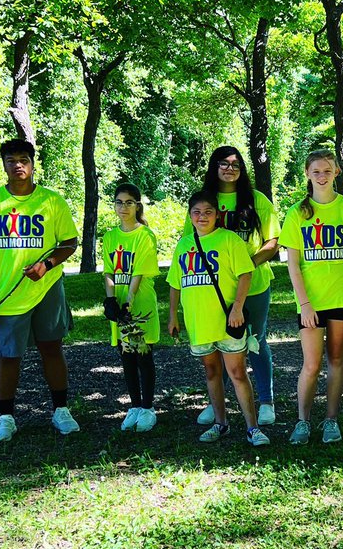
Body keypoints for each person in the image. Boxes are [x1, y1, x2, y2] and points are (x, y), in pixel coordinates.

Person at [0, 140, 79, 443]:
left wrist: (47, 264)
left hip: (48, 289)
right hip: (8, 295)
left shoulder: (52, 201)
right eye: (11, 160)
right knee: (9, 355)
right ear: (3, 165)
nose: (18, 165)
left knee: (51, 349)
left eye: (23, 159)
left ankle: (61, 411)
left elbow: (70, 243)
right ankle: (6, 417)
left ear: (33, 163)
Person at [168, 191, 269, 445]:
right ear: (190, 216)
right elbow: (175, 283)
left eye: (208, 212)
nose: (202, 217)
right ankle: (220, 423)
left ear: (216, 215)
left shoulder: (229, 239)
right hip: (198, 320)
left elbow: (245, 274)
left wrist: (237, 308)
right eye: (197, 212)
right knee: (211, 371)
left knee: (236, 371)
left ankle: (252, 427)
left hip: (227, 320)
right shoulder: (184, 244)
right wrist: (173, 316)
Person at [190, 147, 280, 430]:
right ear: (213, 167)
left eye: (236, 163)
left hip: (252, 285)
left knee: (255, 340)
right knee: (221, 342)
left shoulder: (256, 200)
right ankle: (218, 404)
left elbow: (273, 241)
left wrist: (247, 265)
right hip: (214, 287)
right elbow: (192, 242)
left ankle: (266, 401)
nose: (230, 168)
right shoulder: (205, 201)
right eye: (224, 163)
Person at [279, 150, 343, 445]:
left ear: (337, 171)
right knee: (311, 365)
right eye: (316, 171)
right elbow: (293, 264)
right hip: (311, 303)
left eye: (327, 170)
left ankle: (331, 420)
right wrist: (304, 304)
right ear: (307, 174)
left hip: (340, 299)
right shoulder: (297, 213)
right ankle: (303, 421)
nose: (322, 175)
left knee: (336, 360)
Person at [102, 183, 160, 432]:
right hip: (120, 303)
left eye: (128, 202)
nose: (123, 207)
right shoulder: (110, 236)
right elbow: (108, 270)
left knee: (143, 356)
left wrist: (128, 302)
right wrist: (110, 300)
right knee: (126, 356)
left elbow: (138, 273)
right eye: (118, 202)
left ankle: (148, 407)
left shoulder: (144, 235)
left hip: (139, 303)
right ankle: (134, 405)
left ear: (137, 205)